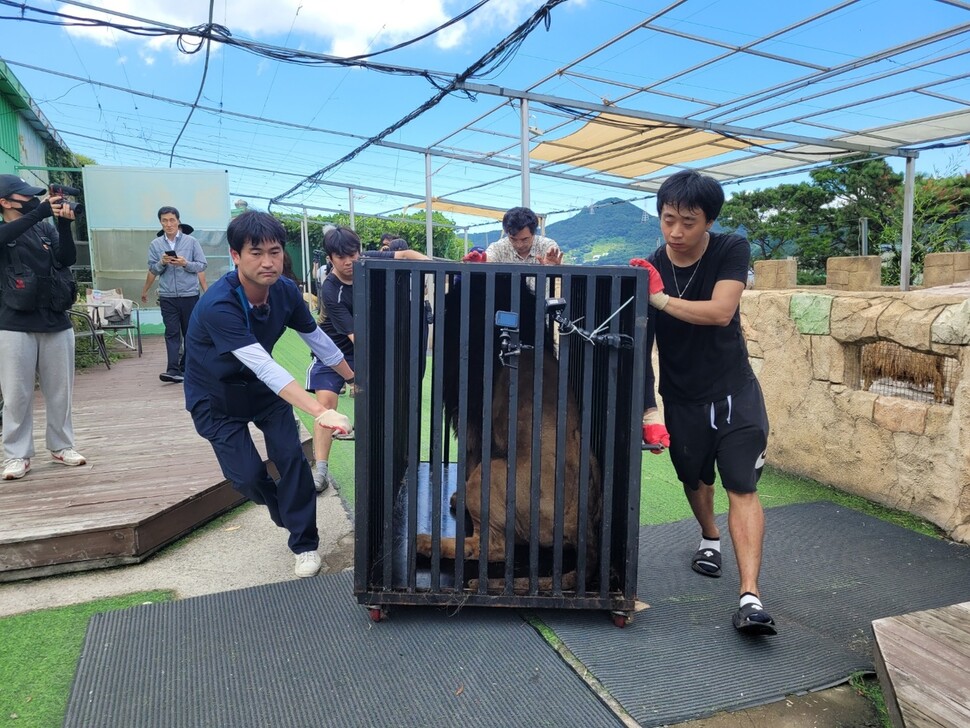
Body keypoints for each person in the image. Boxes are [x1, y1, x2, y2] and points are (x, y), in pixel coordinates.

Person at [633, 169, 776, 636]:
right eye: (668, 218)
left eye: (688, 222)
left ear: (708, 221)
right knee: (693, 479)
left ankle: (750, 596)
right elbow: (642, 345)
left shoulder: (730, 249)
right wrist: (649, 409)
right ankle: (709, 538)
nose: (676, 231)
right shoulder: (655, 264)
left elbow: (721, 312)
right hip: (682, 397)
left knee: (741, 484)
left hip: (734, 391)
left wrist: (659, 299)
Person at [183, 211, 354, 578]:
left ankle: (305, 543)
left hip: (263, 392)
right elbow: (264, 365)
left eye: (274, 252)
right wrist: (319, 411)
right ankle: (285, 511)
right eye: (256, 252)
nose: (267, 261)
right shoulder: (220, 305)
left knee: (291, 458)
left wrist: (355, 376)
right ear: (235, 256)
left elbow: (318, 340)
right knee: (246, 478)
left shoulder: (286, 291)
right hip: (215, 397)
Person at [306, 226, 429, 492]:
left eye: (353, 254)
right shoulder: (331, 290)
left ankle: (388, 461)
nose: (349, 261)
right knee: (326, 404)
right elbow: (356, 338)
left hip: (363, 347)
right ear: (330, 259)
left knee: (383, 402)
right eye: (341, 257)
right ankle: (321, 470)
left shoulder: (367, 261)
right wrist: (355, 377)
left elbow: (406, 254)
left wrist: (436, 266)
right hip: (334, 351)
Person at [0, 175, 86, 480]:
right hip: (14, 324)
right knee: (16, 394)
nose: (33, 200)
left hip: (55, 320)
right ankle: (16, 455)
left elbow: (66, 259)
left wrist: (63, 223)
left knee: (60, 391)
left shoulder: (44, 228)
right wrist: (41, 212)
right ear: (5, 202)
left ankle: (62, 446)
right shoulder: (7, 230)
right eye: (25, 196)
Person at [141, 207, 207, 384]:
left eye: (172, 220)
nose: (168, 224)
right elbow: (152, 269)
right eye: (164, 220)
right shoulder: (155, 245)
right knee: (171, 333)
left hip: (189, 295)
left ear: (178, 221)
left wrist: (185, 264)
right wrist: (162, 263)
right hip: (167, 296)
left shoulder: (191, 242)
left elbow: (201, 265)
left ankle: (187, 367)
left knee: (190, 333)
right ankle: (172, 369)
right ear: (160, 222)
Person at [483, 206, 563, 265]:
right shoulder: (498, 248)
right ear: (507, 233)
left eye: (525, 239)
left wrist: (553, 269)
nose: (519, 245)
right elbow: (486, 261)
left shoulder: (547, 247)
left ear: (534, 233)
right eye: (513, 239)